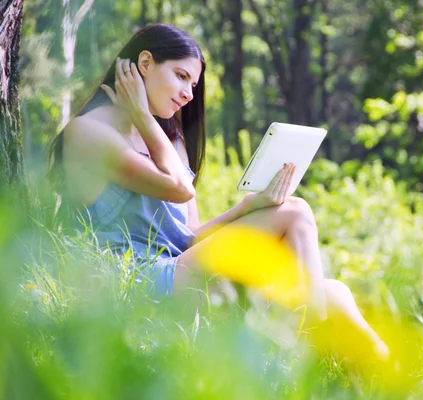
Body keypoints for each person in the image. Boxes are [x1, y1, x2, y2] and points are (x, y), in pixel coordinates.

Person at [47, 24, 389, 360]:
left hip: (179, 272)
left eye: (193, 84)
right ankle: (310, 359)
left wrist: (247, 207)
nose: (189, 94)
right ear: (146, 63)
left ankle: (401, 382)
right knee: (296, 212)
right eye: (181, 76)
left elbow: (188, 240)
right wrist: (142, 116)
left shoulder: (169, 141)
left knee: (335, 293)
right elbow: (179, 189)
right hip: (135, 286)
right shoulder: (88, 133)